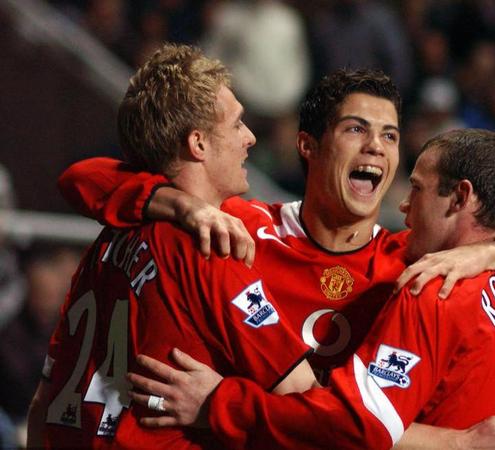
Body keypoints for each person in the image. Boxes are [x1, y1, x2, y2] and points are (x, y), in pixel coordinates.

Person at [57, 69, 495, 447]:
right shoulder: (241, 230)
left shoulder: (412, 266)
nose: (376, 147)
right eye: (356, 129)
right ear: (308, 146)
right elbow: (84, 179)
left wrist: (494, 252)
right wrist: (179, 204)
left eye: (389, 135)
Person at [26, 44, 317, 449]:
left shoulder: (105, 243)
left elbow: (42, 403)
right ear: (198, 143)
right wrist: (220, 403)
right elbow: (305, 401)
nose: (250, 138)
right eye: (237, 124)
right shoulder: (208, 249)